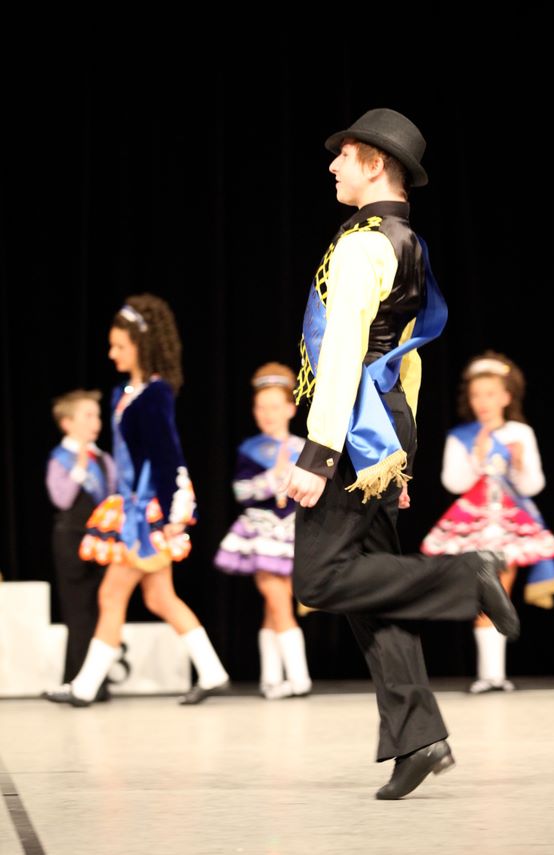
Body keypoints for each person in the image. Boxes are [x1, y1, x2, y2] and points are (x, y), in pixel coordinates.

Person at [282, 107, 520, 801]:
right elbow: (405, 361)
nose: (333, 165)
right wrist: (399, 454)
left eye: (345, 154)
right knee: (371, 589)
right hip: (383, 427)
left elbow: (343, 351)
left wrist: (320, 453)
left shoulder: (362, 245)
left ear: (375, 163)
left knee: (319, 579)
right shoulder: (406, 240)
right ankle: (418, 737)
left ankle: (467, 575)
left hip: (352, 427)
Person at [45, 294, 230, 706]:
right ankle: (213, 672)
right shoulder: (123, 392)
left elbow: (167, 455)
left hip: (146, 510)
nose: (112, 354)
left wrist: (176, 507)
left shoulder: (156, 393)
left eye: (119, 346)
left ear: (141, 345)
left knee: (112, 595)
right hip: (130, 504)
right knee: (159, 597)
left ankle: (84, 686)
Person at [420, 351, 554, 694]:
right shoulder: (462, 435)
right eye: (476, 395)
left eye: (490, 394)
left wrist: (519, 462)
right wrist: (478, 456)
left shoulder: (520, 433)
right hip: (473, 521)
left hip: (509, 520)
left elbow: (533, 486)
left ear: (506, 397)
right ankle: (489, 675)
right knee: (482, 593)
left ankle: (494, 675)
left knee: (500, 592)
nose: (482, 402)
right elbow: (453, 483)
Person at [214, 362, 312, 699]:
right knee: (277, 600)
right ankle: (299, 678)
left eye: (274, 406)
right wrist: (273, 477)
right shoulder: (250, 449)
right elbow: (241, 491)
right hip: (261, 532)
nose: (267, 414)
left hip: (293, 531)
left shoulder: (305, 447)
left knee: (275, 606)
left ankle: (271, 679)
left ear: (290, 409)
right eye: (261, 407)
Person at [45, 389, 118, 694]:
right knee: (78, 611)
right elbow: (61, 499)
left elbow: (112, 497)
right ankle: (75, 679)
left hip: (102, 539)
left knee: (104, 607)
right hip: (71, 539)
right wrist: (79, 466)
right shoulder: (60, 458)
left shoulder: (104, 458)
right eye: (87, 415)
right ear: (67, 423)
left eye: (97, 415)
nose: (95, 422)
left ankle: (97, 681)